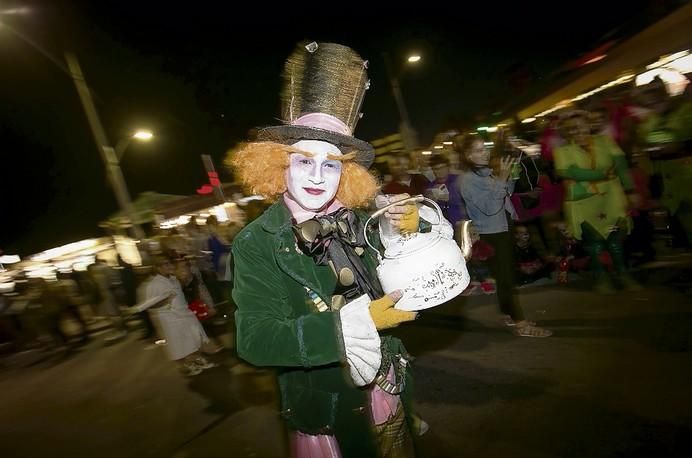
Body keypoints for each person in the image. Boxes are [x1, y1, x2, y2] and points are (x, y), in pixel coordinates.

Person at [228, 42, 423, 458]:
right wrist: (343, 331)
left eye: (331, 164)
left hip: (389, 391)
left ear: (345, 172)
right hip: (329, 412)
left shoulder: (360, 215)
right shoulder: (256, 242)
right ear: (280, 164)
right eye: (303, 161)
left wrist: (411, 229)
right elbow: (255, 339)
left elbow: (400, 270)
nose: (318, 176)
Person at [459, 136, 552, 337]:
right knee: (506, 279)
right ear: (468, 156)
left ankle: (508, 314)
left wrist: (509, 177)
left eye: (485, 148)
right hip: (491, 233)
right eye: (478, 150)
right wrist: (501, 180)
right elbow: (490, 208)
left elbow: (505, 194)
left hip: (503, 227)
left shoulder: (486, 172)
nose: (484, 152)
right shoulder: (468, 180)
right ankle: (521, 324)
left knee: (505, 276)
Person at [554, 110, 641, 294]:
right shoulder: (562, 151)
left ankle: (623, 274)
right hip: (582, 203)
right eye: (571, 128)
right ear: (566, 131)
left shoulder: (606, 142)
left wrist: (630, 190)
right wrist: (602, 174)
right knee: (594, 243)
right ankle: (601, 278)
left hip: (611, 198)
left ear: (589, 125)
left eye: (581, 125)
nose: (577, 130)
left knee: (615, 239)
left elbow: (622, 167)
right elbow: (569, 172)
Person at [145, 255, 217, 376]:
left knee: (193, 339)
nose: (169, 266)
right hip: (170, 319)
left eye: (169, 263)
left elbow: (187, 287)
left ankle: (196, 360)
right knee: (177, 345)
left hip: (185, 314)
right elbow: (151, 305)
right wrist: (166, 302)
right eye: (165, 264)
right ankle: (185, 367)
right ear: (157, 268)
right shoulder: (154, 284)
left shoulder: (173, 279)